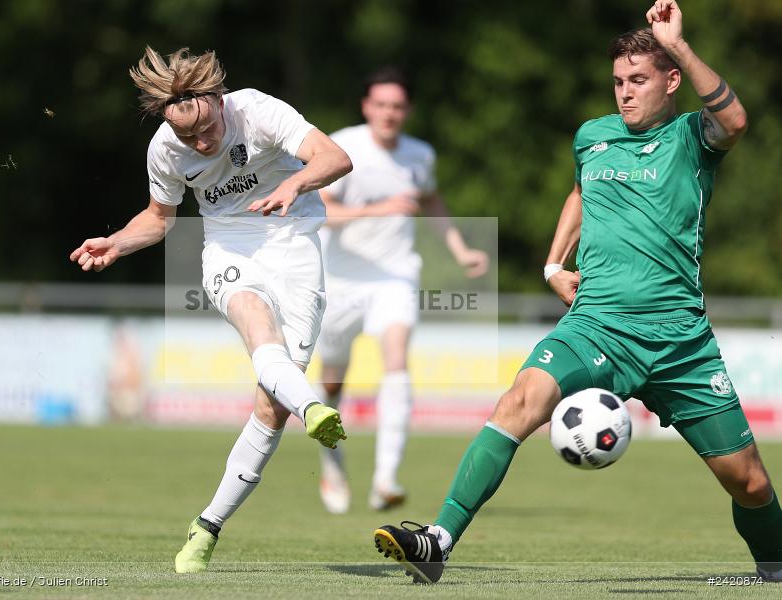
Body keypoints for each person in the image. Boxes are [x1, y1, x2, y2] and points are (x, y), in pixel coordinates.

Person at [373, 1, 781, 584]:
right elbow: (582, 192)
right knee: (518, 403)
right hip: (597, 325)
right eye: (618, 82)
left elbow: (737, 121)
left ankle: (777, 569)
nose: (625, 93)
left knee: (750, 483)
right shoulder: (594, 137)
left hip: (679, 341)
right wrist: (551, 263)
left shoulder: (694, 137)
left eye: (638, 80)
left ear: (670, 81)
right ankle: (438, 539)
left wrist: (680, 45)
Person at [70, 46, 352, 573]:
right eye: (188, 138)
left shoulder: (258, 110)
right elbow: (160, 218)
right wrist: (117, 243)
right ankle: (312, 408)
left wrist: (294, 182)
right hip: (228, 248)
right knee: (256, 327)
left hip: (294, 241)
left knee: (271, 406)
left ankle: (206, 527)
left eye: (206, 129)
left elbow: (335, 158)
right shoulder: (164, 149)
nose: (201, 144)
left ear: (219, 101)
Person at [314, 67, 489, 513]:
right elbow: (321, 211)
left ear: (406, 110)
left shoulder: (419, 155)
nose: (389, 113)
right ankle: (331, 461)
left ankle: (385, 479)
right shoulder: (343, 146)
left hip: (394, 275)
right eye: (381, 105)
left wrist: (459, 248)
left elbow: (430, 199)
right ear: (366, 107)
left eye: (397, 106)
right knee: (332, 384)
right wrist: (379, 209)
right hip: (340, 279)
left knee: (396, 358)